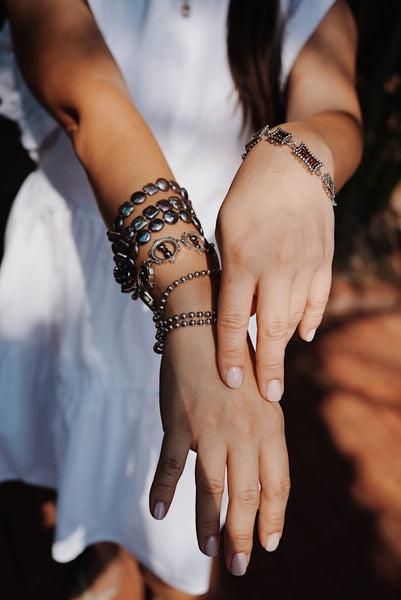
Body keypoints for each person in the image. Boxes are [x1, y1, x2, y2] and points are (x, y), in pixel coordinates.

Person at [0, 0, 362, 598]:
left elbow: (337, 109)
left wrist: (304, 152)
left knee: (183, 539)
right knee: (80, 447)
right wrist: (188, 307)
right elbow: (88, 99)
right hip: (83, 273)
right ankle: (105, 556)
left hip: (210, 306)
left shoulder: (305, 8)